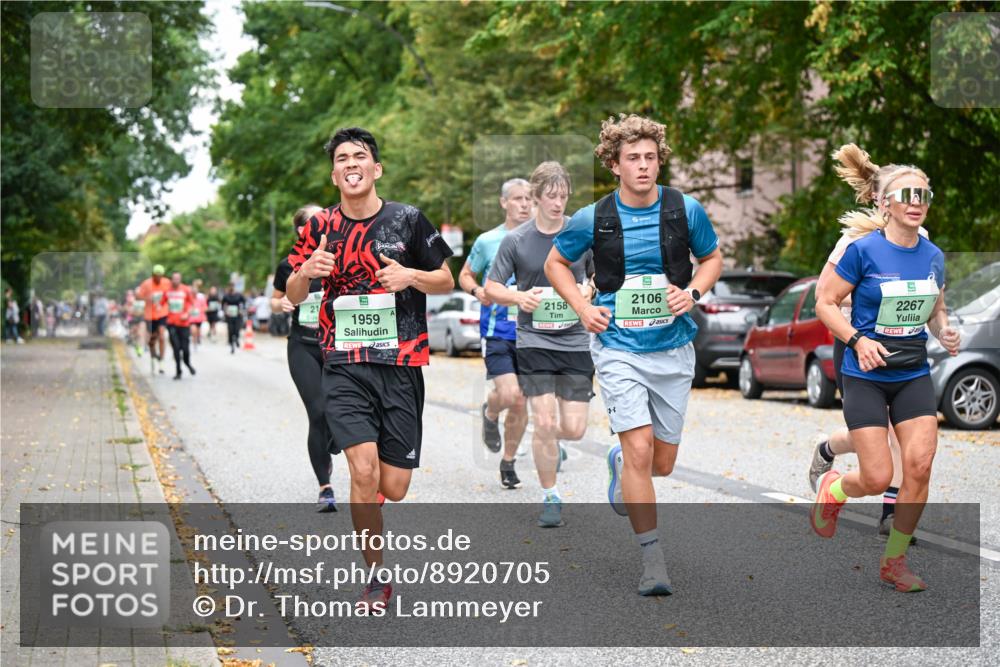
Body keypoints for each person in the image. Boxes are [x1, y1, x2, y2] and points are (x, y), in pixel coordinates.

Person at [545, 114, 723, 596]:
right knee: (641, 450)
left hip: (673, 347)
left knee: (661, 463)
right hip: (618, 347)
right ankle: (653, 561)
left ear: (659, 161)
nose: (643, 166)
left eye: (650, 157)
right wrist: (583, 307)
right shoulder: (593, 217)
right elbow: (556, 263)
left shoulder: (685, 210)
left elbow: (711, 259)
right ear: (615, 165)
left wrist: (694, 292)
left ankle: (620, 463)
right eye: (632, 158)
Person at [285, 127, 454, 609]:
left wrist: (410, 275)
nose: (350, 163)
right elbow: (293, 293)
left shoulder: (408, 219)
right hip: (343, 364)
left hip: (400, 363)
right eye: (341, 158)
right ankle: (376, 577)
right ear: (334, 174)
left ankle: (373, 498)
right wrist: (305, 273)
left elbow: (445, 280)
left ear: (375, 169)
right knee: (362, 471)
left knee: (393, 487)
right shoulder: (319, 227)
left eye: (359, 156)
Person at [813, 144, 960, 592]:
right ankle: (836, 488)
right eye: (908, 195)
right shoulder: (861, 250)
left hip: (912, 371)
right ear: (886, 204)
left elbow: (936, 308)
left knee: (919, 465)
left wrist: (944, 330)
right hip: (866, 373)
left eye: (924, 195)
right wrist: (858, 341)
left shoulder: (932, 254)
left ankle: (894, 561)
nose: (917, 203)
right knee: (877, 476)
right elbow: (825, 302)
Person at [807, 167, 932, 541]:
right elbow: (825, 296)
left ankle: (891, 513)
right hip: (855, 341)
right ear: (879, 199)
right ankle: (829, 448)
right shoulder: (853, 241)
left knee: (903, 434)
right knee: (876, 432)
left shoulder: (921, 238)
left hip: (903, 348)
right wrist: (872, 296)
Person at [486, 161, 595, 527]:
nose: (558, 203)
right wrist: (518, 297)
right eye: (551, 196)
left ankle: (544, 438)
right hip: (533, 340)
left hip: (575, 340)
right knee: (545, 420)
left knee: (574, 428)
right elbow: (492, 287)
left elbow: (599, 275)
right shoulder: (517, 240)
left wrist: (590, 289)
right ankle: (551, 496)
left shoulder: (581, 234)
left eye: (563, 196)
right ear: (535, 197)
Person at [458, 177, 533, 489]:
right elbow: (465, 274)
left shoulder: (547, 239)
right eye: (517, 198)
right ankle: (490, 413)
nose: (525, 204)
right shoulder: (488, 241)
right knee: (511, 395)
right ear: (504, 203)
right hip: (497, 332)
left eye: (529, 198)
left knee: (520, 402)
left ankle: (508, 461)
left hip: (534, 333)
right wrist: (477, 291)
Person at [273, 204, 340, 512]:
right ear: (301, 231)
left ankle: (334, 438)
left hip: (337, 347)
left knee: (337, 412)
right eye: (314, 223)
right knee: (318, 411)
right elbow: (275, 301)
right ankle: (325, 487)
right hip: (303, 346)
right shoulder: (288, 265)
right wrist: (282, 304)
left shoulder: (339, 258)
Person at [162, 272, 197, 380]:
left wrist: (187, 314)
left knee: (185, 349)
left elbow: (192, 304)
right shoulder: (167, 291)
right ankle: (178, 371)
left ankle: (187, 363)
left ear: (180, 279)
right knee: (176, 348)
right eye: (174, 279)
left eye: (178, 279)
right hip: (171, 324)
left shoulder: (186, 290)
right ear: (171, 279)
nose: (176, 281)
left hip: (184, 324)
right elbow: (161, 304)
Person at [136, 265, 170, 373]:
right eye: (156, 275)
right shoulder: (146, 283)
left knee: (162, 335)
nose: (158, 278)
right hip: (150, 315)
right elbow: (138, 296)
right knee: (152, 339)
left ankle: (162, 362)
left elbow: (172, 293)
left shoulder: (167, 283)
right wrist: (147, 298)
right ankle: (153, 356)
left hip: (162, 313)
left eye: (160, 275)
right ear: (153, 275)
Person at [221, 284, 246, 354]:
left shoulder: (238, 295)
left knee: (237, 329)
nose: (231, 288)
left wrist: (241, 310)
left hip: (237, 315)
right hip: (229, 315)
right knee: (230, 330)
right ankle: (231, 344)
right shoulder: (226, 296)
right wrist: (225, 311)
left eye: (232, 287)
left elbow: (244, 302)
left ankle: (237, 339)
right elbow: (222, 305)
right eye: (230, 287)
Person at [189, 279, 208, 349]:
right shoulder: (189, 297)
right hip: (191, 318)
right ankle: (194, 342)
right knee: (193, 330)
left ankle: (198, 338)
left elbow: (205, 306)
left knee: (198, 330)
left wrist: (201, 310)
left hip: (199, 317)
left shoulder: (201, 296)